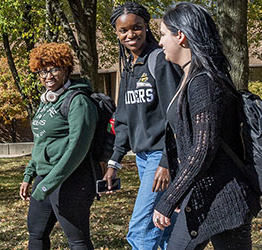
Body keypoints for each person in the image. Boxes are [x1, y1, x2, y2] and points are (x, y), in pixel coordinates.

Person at [152, 3, 261, 250]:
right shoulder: (192, 78)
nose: (160, 43)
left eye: (162, 35)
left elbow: (203, 147)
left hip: (225, 200)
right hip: (203, 198)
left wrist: (169, 199)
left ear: (181, 36)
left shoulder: (204, 82)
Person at [105, 2, 183, 249]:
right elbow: (124, 119)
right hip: (142, 158)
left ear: (146, 27)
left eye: (136, 28)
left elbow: (176, 113)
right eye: (123, 31)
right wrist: (113, 162)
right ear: (116, 33)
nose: (130, 35)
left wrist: (167, 161)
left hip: (162, 156)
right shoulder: (129, 67)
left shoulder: (160, 60)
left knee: (141, 231)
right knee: (164, 228)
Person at [20, 42, 98, 250]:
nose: (48, 76)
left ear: (66, 69)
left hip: (71, 178)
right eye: (42, 71)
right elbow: (41, 141)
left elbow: (77, 148)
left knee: (77, 239)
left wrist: (49, 184)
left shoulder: (78, 101)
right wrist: (30, 175)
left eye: (54, 69)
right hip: (45, 177)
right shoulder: (46, 102)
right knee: (36, 232)